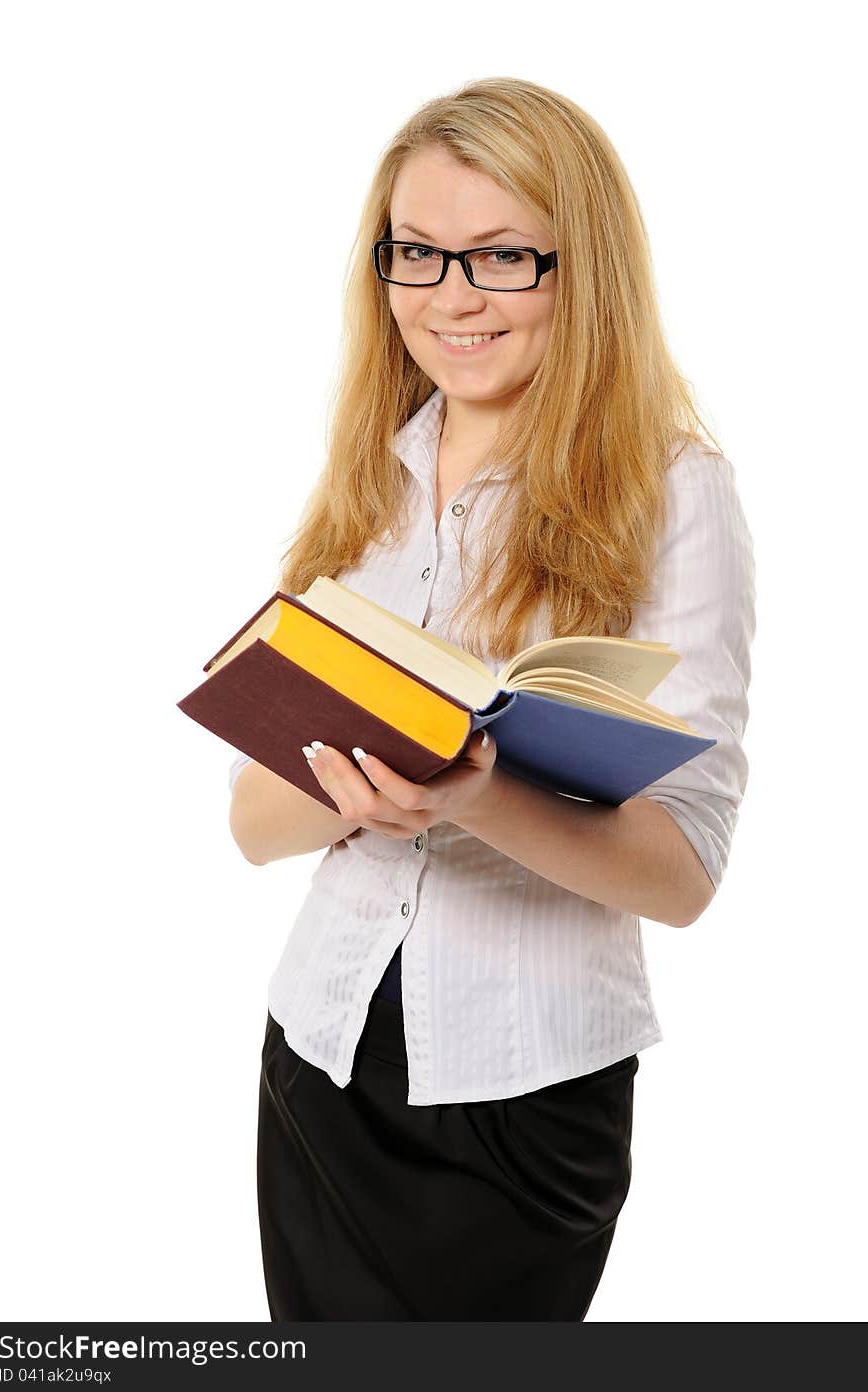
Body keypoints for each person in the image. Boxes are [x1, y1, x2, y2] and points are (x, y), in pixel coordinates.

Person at [228, 76, 756, 1321]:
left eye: (502, 255)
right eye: (417, 252)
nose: (450, 296)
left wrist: (469, 794)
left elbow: (684, 876)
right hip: (321, 1051)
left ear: (583, 269)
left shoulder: (674, 494)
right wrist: (354, 783)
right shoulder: (370, 477)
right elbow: (249, 826)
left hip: (527, 1089)